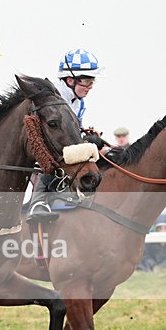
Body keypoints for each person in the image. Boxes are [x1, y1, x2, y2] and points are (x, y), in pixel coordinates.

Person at [28, 48, 104, 221]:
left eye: (92, 80)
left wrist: (89, 140)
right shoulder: (56, 98)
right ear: (70, 80)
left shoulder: (79, 102)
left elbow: (72, 134)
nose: (90, 86)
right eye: (86, 80)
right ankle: (37, 202)